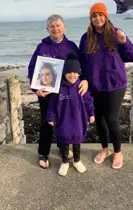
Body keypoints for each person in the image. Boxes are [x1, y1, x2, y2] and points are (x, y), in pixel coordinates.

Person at [78, 2, 133, 169]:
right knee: (99, 121)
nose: (97, 18)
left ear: (106, 16)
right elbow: (81, 61)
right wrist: (83, 78)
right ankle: (105, 150)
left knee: (111, 119)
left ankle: (118, 152)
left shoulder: (116, 34)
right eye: (94, 16)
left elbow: (131, 57)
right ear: (91, 19)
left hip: (115, 84)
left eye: (100, 15)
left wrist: (124, 42)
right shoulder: (86, 37)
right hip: (94, 86)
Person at [28, 14, 89, 169]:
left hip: (67, 93)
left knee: (65, 122)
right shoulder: (42, 47)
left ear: (64, 27)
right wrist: (36, 89)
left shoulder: (71, 46)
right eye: (52, 26)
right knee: (47, 122)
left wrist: (84, 79)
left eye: (58, 25)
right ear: (47, 29)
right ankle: (43, 153)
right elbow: (32, 68)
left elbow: (80, 66)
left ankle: (63, 148)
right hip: (47, 94)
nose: (55, 28)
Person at [47, 52, 95, 176]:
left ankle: (77, 161)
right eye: (69, 72)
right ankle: (64, 162)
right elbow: (52, 104)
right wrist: (51, 117)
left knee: (77, 142)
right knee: (64, 142)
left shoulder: (81, 87)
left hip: (78, 120)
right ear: (64, 73)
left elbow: (89, 101)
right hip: (63, 121)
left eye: (75, 73)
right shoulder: (58, 88)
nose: (72, 75)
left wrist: (91, 114)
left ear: (79, 74)